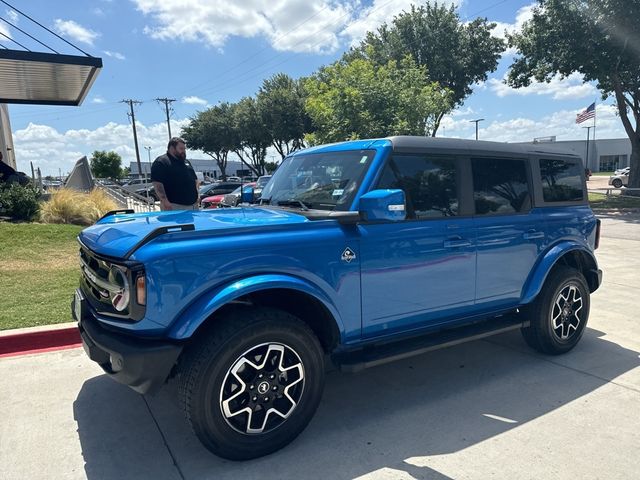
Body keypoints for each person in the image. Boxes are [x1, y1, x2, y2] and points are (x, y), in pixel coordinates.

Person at [151, 137, 199, 211]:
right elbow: (157, 184)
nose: (184, 151)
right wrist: (165, 201)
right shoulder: (161, 162)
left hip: (193, 205)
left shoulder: (186, 162)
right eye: (181, 149)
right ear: (172, 148)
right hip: (174, 206)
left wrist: (197, 195)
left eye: (184, 149)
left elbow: (195, 180)